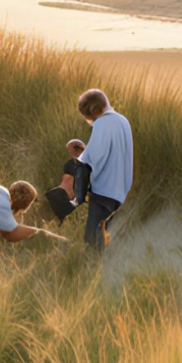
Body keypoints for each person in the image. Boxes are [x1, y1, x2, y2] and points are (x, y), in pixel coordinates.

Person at [75, 88, 134, 249]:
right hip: (120, 190)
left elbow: (88, 161)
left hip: (104, 189)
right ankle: (104, 264)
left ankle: (93, 267)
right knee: (104, 229)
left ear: (93, 111)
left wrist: (79, 196)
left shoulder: (102, 123)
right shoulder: (123, 121)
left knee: (91, 236)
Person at [45, 139, 87, 224]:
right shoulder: (70, 164)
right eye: (69, 150)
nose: (70, 153)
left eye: (70, 150)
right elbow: (65, 182)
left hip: (67, 198)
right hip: (60, 195)